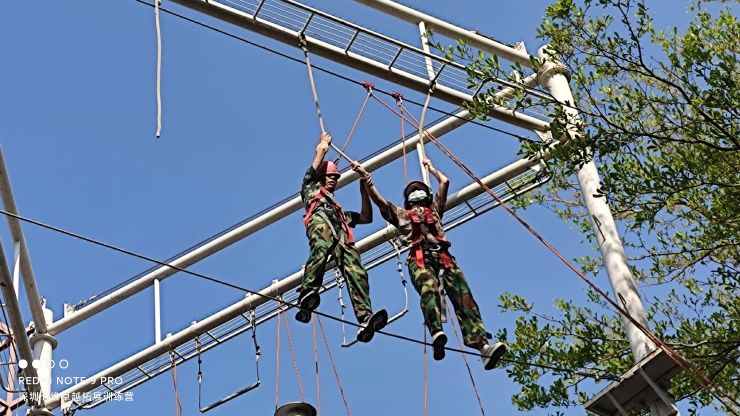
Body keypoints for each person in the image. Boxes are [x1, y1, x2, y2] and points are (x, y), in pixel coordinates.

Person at [359, 157, 506, 369]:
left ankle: (483, 346)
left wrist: (431, 167)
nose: (416, 194)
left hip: (444, 259)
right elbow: (381, 203)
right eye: (413, 192)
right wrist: (368, 183)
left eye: (419, 191)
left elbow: (445, 182)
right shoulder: (402, 215)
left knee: (464, 298)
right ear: (408, 201)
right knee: (429, 289)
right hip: (420, 259)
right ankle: (436, 331)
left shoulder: (435, 210)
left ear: (427, 196)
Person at [297, 131, 387, 343]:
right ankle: (307, 293)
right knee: (321, 247)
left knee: (356, 270)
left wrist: (364, 188)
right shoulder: (310, 190)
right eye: (330, 176)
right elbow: (319, 154)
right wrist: (323, 143)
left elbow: (366, 218)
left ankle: (365, 317)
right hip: (321, 226)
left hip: (341, 237)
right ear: (320, 177)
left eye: (336, 177)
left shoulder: (340, 213)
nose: (333, 180)